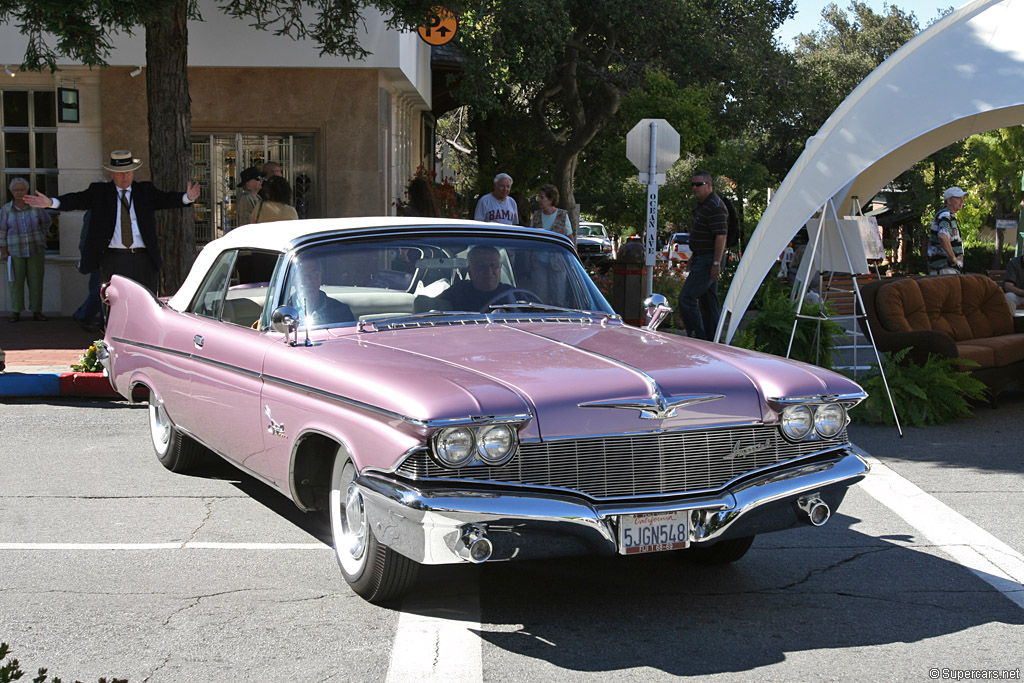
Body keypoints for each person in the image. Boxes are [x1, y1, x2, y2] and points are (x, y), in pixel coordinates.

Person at [22, 149, 200, 294]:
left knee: (145, 303)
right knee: (114, 306)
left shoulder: (145, 190)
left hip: (143, 258)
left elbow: (165, 199)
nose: (125, 177)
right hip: (112, 258)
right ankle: (112, 338)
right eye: (121, 173)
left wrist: (187, 197)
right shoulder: (100, 192)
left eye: (128, 172)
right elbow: (76, 200)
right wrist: (52, 202)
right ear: (112, 173)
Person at [677, 170, 728, 341]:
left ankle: (696, 338)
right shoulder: (704, 205)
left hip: (709, 259)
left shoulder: (715, 206)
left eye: (698, 184)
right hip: (702, 256)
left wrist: (716, 263)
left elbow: (721, 235)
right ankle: (713, 340)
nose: (694, 188)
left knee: (686, 298)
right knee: (708, 303)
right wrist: (693, 256)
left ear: (709, 185)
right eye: (692, 184)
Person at [1, 177, 53, 322]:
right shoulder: (6, 210)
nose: (19, 192)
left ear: (27, 190)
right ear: (11, 191)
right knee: (15, 283)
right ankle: (16, 311)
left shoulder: (35, 207)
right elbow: (2, 231)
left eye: (22, 189)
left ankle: (36, 311)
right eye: (16, 190)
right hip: (14, 251)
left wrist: (41, 236)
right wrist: (4, 251)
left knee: (36, 281)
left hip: (35, 249)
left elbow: (47, 222)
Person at [289, 257, 354, 327]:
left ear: (321, 275)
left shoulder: (341, 311)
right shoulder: (283, 311)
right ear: (293, 279)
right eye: (302, 275)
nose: (309, 280)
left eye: (314, 273)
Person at [447, 245, 514, 311]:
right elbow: (438, 309)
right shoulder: (459, 291)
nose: (488, 271)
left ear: (500, 267)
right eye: (481, 266)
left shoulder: (513, 294)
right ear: (470, 271)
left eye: (493, 265)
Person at [72, 211, 103, 333]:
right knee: (102, 290)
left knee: (99, 288)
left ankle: (102, 322)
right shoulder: (94, 212)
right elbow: (86, 237)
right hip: (99, 256)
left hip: (104, 255)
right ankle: (84, 316)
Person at [927, 187, 966, 275]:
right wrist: (952, 257)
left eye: (962, 199)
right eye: (958, 198)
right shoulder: (946, 215)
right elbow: (942, 236)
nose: (962, 201)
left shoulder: (945, 215)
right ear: (949, 200)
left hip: (942, 268)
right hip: (945, 268)